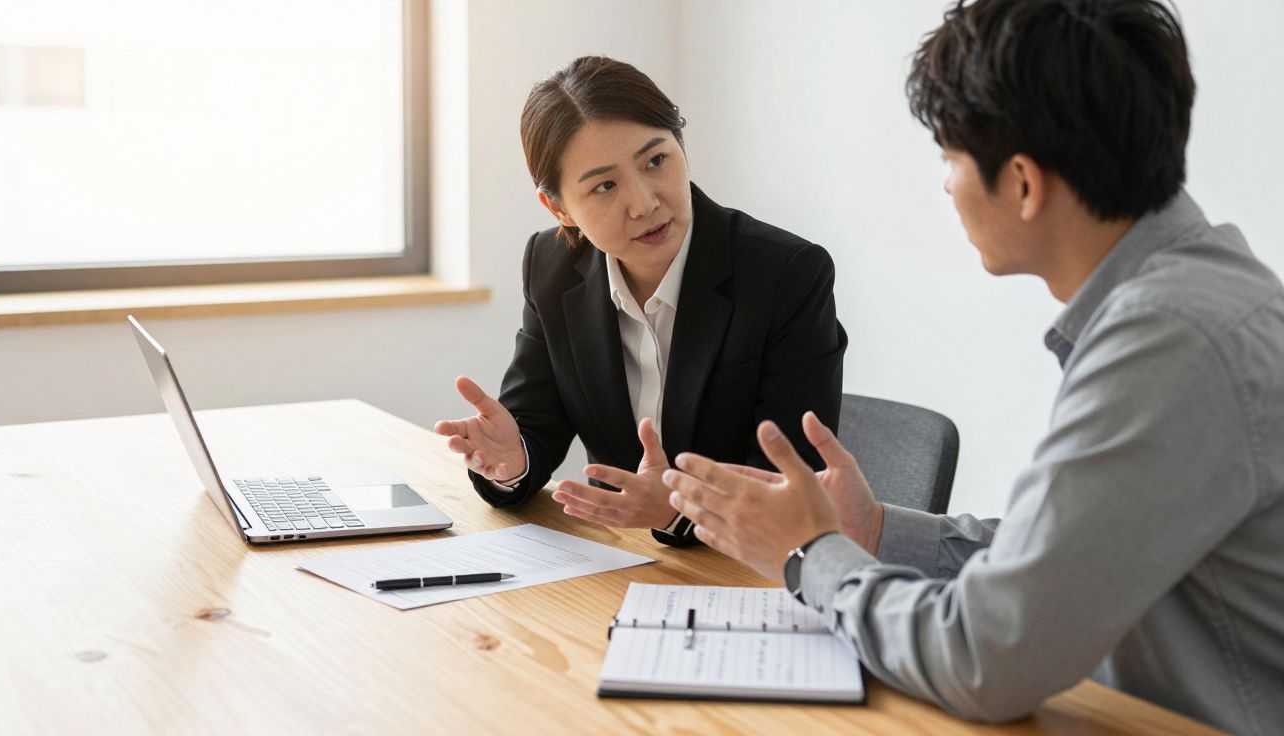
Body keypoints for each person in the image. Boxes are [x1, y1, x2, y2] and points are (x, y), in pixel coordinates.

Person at [662, 0, 1284, 732]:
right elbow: (1064, 560)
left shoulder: (1167, 340)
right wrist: (875, 532)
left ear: (1022, 182)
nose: (946, 185)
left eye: (949, 157)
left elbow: (984, 658)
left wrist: (808, 555)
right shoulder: (1198, 285)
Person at [434, 56, 848, 546]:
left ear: (682, 147)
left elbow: (791, 478)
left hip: (746, 572)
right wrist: (513, 459)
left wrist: (674, 511)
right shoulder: (551, 266)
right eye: (605, 185)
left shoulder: (785, 273)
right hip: (615, 561)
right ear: (559, 208)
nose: (645, 202)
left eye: (656, 161)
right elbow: (536, 422)